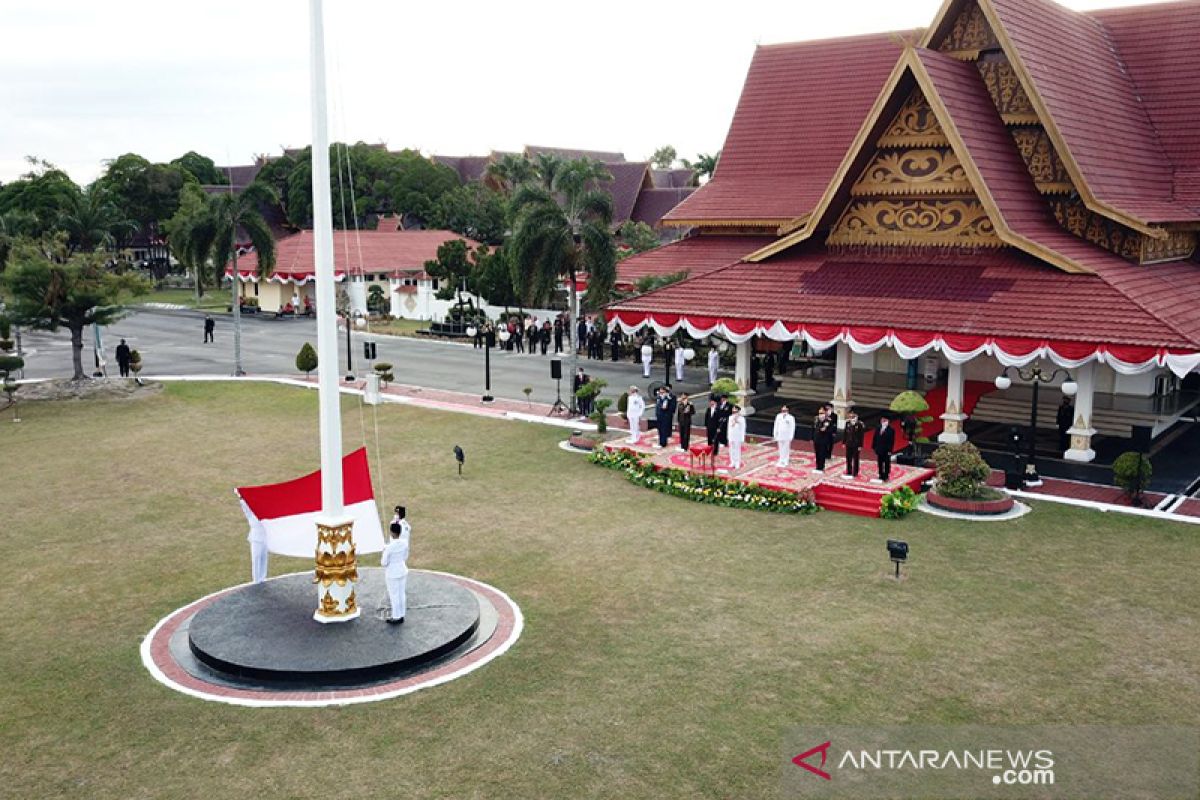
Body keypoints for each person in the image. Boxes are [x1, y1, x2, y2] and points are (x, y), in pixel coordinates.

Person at [381, 505, 411, 624]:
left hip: (392, 572)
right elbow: (405, 555)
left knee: (394, 595)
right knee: (401, 593)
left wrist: (386, 550)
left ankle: (396, 616)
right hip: (402, 569)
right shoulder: (404, 543)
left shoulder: (389, 548)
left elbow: (384, 563)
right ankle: (401, 614)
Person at [243, 501, 269, 584]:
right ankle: (256, 580)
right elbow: (245, 507)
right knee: (256, 558)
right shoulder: (251, 515)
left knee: (264, 558)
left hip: (265, 539)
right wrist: (241, 497)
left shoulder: (265, 514)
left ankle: (263, 578)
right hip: (256, 540)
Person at [842, 409, 866, 480]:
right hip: (849, 443)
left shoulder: (859, 425)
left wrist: (860, 445)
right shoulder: (847, 423)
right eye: (851, 417)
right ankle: (849, 471)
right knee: (848, 458)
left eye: (853, 417)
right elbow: (845, 434)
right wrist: (844, 442)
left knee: (855, 458)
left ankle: (855, 472)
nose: (852, 418)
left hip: (856, 444)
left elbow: (861, 436)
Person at [872, 417, 896, 484]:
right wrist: (874, 447)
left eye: (885, 420)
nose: (883, 422)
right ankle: (880, 474)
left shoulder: (891, 430)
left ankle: (886, 475)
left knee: (886, 463)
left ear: (888, 421)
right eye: (882, 420)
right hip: (879, 449)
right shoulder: (878, 428)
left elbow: (892, 441)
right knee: (880, 462)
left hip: (886, 450)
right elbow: (875, 437)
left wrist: (890, 450)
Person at [813, 408, 834, 473]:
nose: (820, 415)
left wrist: (825, 430)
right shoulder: (816, 419)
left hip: (824, 440)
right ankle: (817, 466)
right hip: (817, 439)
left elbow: (831, 431)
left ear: (825, 413)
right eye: (820, 413)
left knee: (822, 454)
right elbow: (814, 429)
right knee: (817, 454)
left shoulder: (828, 421)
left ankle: (821, 467)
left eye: (822, 413)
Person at [726, 406, 746, 471]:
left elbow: (743, 428)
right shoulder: (730, 417)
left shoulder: (742, 419)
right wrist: (728, 436)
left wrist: (742, 438)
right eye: (733, 411)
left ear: (738, 411)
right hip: (732, 435)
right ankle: (732, 461)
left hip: (738, 436)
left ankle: (737, 462)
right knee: (731, 449)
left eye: (735, 411)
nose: (734, 412)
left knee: (737, 449)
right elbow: (729, 428)